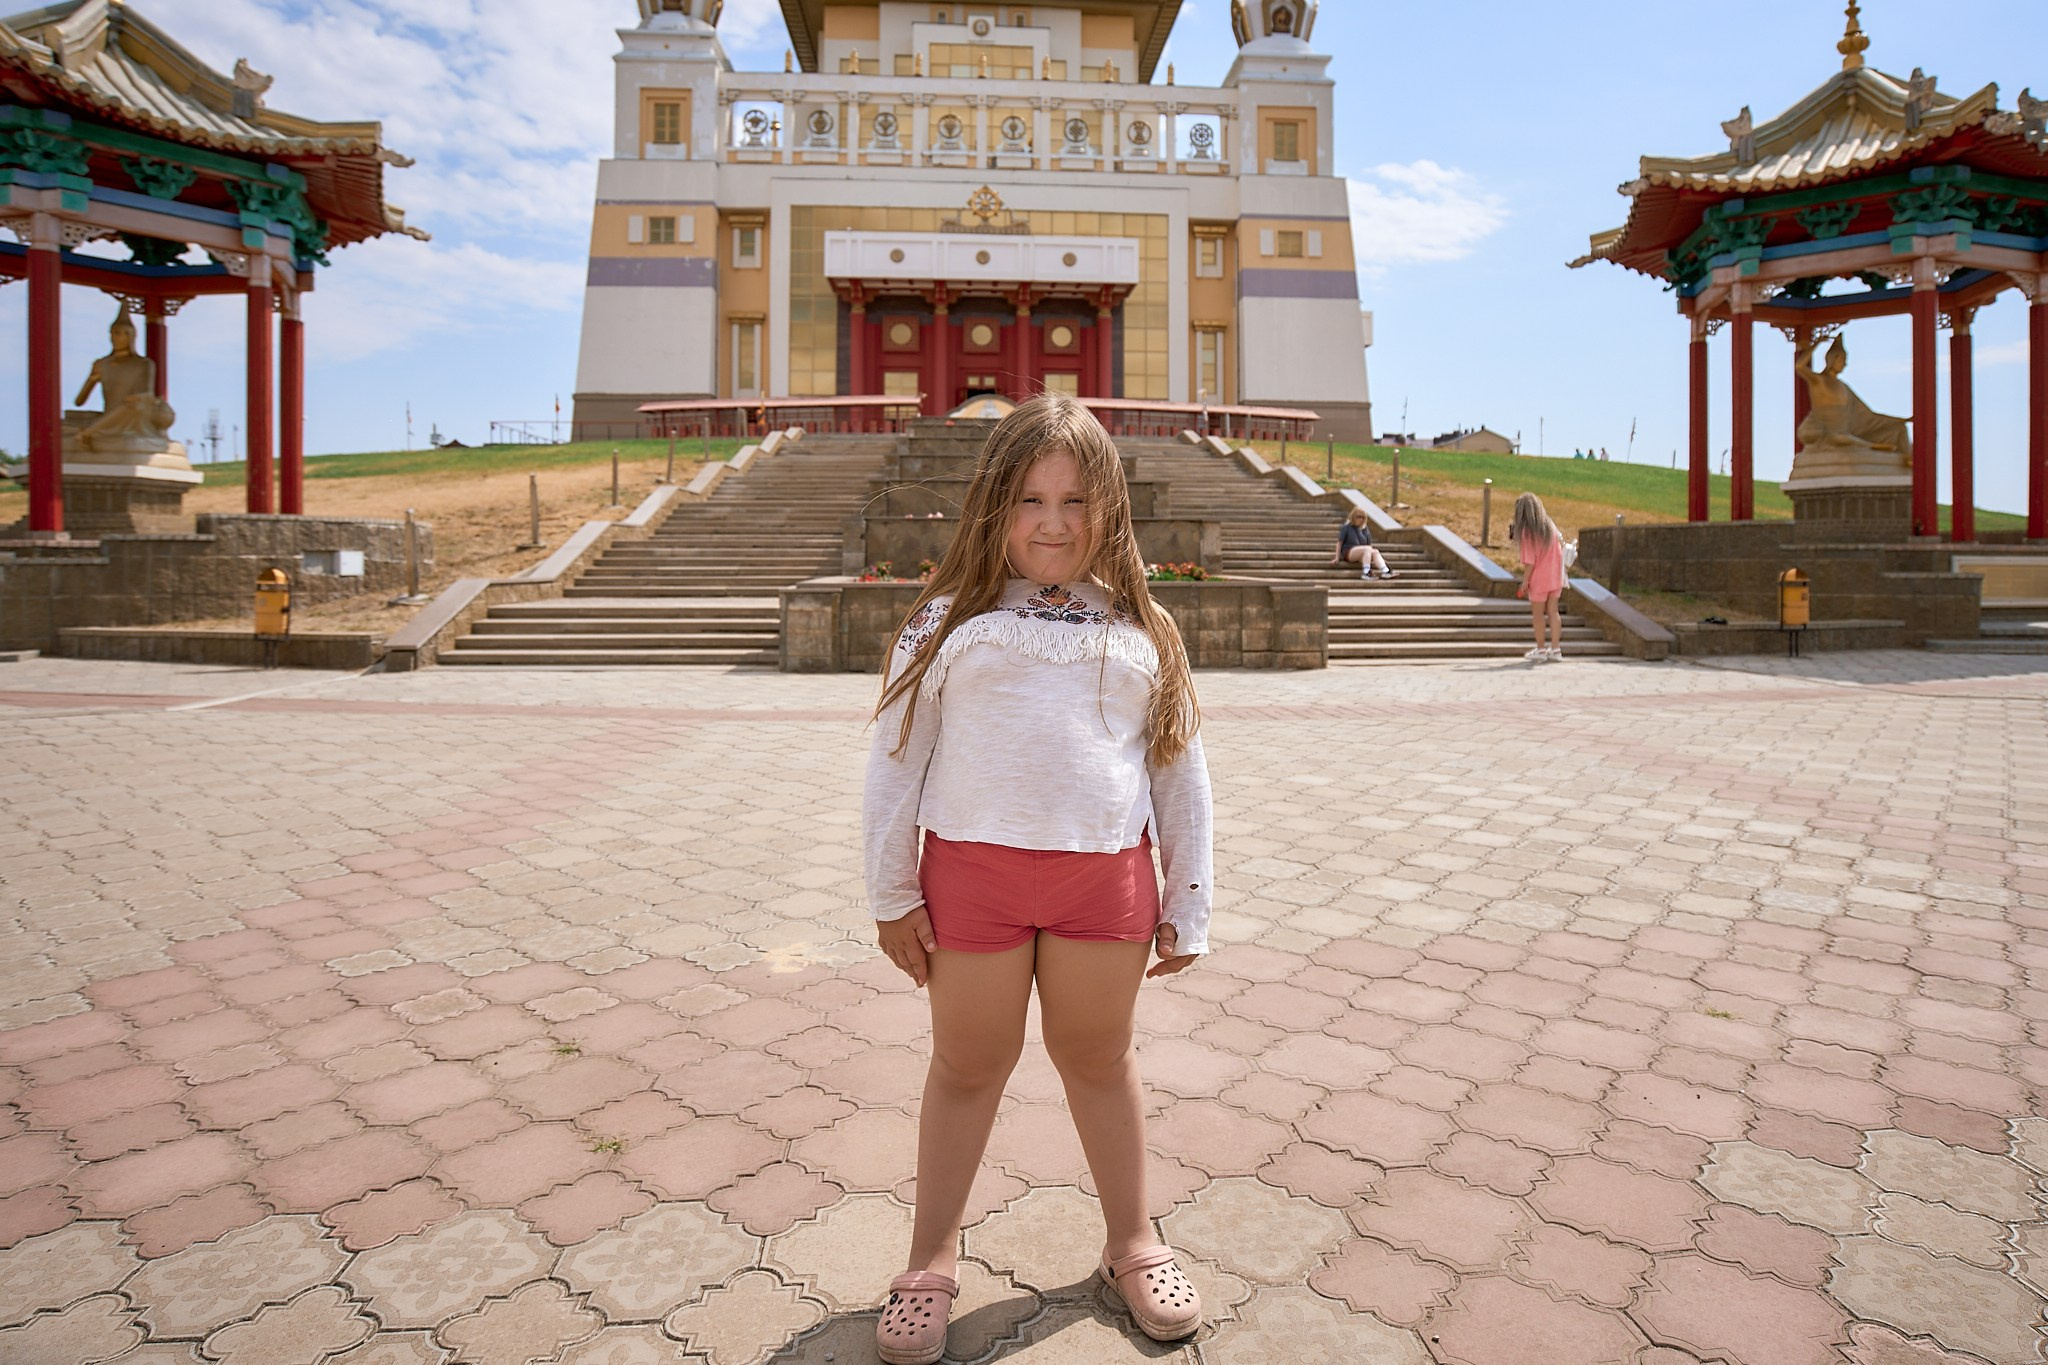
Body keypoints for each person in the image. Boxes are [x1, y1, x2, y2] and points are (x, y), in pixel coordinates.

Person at [863, 392, 1211, 1364]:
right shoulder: (943, 622)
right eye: (1027, 499)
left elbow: (1178, 771)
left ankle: (1130, 1243)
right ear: (991, 508)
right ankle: (929, 1259)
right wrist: (891, 891)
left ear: (1109, 508)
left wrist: (1187, 899)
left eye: (1073, 500)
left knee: (1098, 1061)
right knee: (967, 1067)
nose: (1052, 523)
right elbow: (895, 761)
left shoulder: (1142, 628)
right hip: (969, 882)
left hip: (1103, 887)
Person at [1510, 492, 1566, 662]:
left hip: (1539, 579)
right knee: (1553, 612)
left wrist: (1525, 581)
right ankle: (1556, 649)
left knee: (1538, 615)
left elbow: (1530, 561)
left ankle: (1541, 649)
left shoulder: (1528, 532)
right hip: (1556, 576)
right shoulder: (1550, 527)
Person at [1332, 506, 1396, 579]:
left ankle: (1385, 570)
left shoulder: (1365, 529)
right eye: (1358, 517)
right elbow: (1339, 543)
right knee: (1367, 549)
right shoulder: (1347, 527)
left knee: (1375, 551)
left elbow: (1369, 545)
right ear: (1353, 517)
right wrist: (1336, 558)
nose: (1361, 519)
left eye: (1363, 517)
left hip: (1364, 552)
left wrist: (1379, 559)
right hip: (1349, 552)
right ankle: (1366, 572)